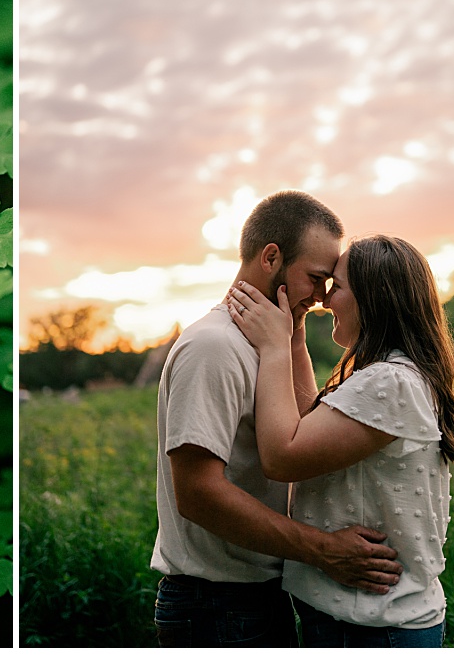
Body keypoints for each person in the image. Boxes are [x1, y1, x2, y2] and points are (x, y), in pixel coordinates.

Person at [151, 191, 404, 647]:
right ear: (271, 257)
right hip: (217, 608)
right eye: (315, 278)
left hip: (254, 598)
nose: (325, 297)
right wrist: (325, 550)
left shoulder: (268, 344)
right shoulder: (214, 347)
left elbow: (302, 434)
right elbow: (197, 493)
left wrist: (292, 339)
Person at [228, 233, 454, 648]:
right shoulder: (390, 375)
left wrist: (273, 348)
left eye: (336, 287)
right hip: (364, 620)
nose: (324, 300)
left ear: (373, 299)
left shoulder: (390, 382)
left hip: (372, 627)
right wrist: (294, 339)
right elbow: (305, 427)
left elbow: (283, 455)